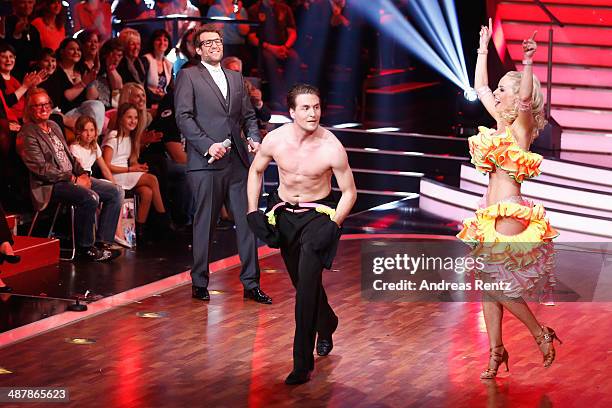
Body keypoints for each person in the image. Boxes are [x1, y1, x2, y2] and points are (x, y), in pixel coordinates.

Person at [456, 19, 561, 379]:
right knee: (488, 286)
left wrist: (528, 62)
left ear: (518, 97)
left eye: (504, 91)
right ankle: (496, 351)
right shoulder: (500, 123)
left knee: (495, 284)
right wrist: (483, 50)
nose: (497, 95)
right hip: (488, 211)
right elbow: (480, 86)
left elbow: (529, 98)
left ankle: (539, 332)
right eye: (499, 91)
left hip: (510, 211)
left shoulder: (521, 126)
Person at [246, 83, 356, 385]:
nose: (313, 113)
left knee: (307, 289)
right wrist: (252, 211)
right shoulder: (276, 140)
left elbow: (349, 192)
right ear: (292, 112)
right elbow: (255, 171)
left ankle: (302, 364)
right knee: (302, 283)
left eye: (317, 107)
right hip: (285, 215)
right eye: (306, 108)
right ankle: (327, 321)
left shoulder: (331, 146)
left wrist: (334, 226)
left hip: (319, 216)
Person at [174, 24, 271, 304]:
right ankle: (199, 281)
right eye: (209, 42)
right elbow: (183, 117)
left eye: (218, 41)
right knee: (205, 223)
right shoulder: (189, 76)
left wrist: (253, 138)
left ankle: (251, 284)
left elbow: (249, 116)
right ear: (198, 49)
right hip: (206, 162)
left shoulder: (235, 76)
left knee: (248, 221)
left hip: (238, 161)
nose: (216, 45)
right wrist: (207, 145)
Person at [19, 88, 121, 261]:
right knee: (90, 197)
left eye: (46, 104)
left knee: (115, 192)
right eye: (38, 106)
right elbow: (42, 170)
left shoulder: (53, 125)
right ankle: (85, 248)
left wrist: (82, 175)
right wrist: (73, 179)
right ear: (30, 109)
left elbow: (69, 157)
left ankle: (103, 242)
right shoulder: (27, 134)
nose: (44, 109)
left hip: (71, 177)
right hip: (50, 185)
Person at [102, 103, 172, 243]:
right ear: (121, 118)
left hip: (126, 174)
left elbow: (132, 162)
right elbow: (106, 165)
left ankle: (139, 230)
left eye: (135, 117)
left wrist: (138, 167)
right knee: (152, 179)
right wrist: (130, 170)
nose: (133, 121)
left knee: (147, 192)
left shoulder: (132, 137)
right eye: (129, 117)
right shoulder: (114, 136)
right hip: (114, 176)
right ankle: (163, 222)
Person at [69, 115, 130, 248]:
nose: (89, 134)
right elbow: (78, 171)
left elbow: (105, 169)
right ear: (79, 131)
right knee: (96, 197)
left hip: (91, 178)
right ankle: (100, 238)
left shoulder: (94, 146)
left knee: (117, 192)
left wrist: (115, 184)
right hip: (80, 179)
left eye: (92, 130)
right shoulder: (74, 148)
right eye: (85, 130)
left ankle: (106, 239)